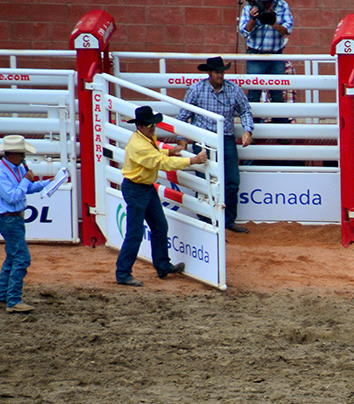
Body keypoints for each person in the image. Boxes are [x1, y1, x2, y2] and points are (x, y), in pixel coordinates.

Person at [115, 106, 208, 287]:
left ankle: (162, 265)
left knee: (159, 226)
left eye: (153, 124)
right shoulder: (140, 145)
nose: (153, 127)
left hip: (142, 187)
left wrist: (168, 151)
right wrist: (192, 160)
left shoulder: (143, 138)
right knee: (135, 233)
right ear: (140, 126)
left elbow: (157, 154)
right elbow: (161, 162)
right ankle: (123, 273)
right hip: (138, 189)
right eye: (149, 124)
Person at [177, 57, 254, 233]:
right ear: (209, 73)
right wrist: (181, 137)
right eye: (217, 72)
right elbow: (183, 116)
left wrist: (248, 130)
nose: (220, 75)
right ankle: (205, 219)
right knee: (205, 181)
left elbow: (245, 110)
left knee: (232, 181)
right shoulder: (196, 90)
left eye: (222, 71)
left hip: (224, 138)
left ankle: (227, 220)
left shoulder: (233, 90)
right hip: (203, 140)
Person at [0, 135, 52, 313]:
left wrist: (47, 183)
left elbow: (25, 189)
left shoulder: (10, 169)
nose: (23, 158)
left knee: (12, 256)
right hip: (9, 218)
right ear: (13, 154)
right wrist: (26, 180)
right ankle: (13, 300)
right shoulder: (0, 173)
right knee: (21, 258)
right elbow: (14, 196)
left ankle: (3, 295)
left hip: (11, 218)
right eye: (21, 154)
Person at [238, 0, 293, 106]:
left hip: (276, 56)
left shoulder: (282, 5)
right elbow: (244, 31)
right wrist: (253, 19)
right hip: (255, 56)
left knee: (277, 93)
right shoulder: (250, 7)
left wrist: (273, 24)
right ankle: (254, 121)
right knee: (254, 93)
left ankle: (279, 121)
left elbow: (288, 29)